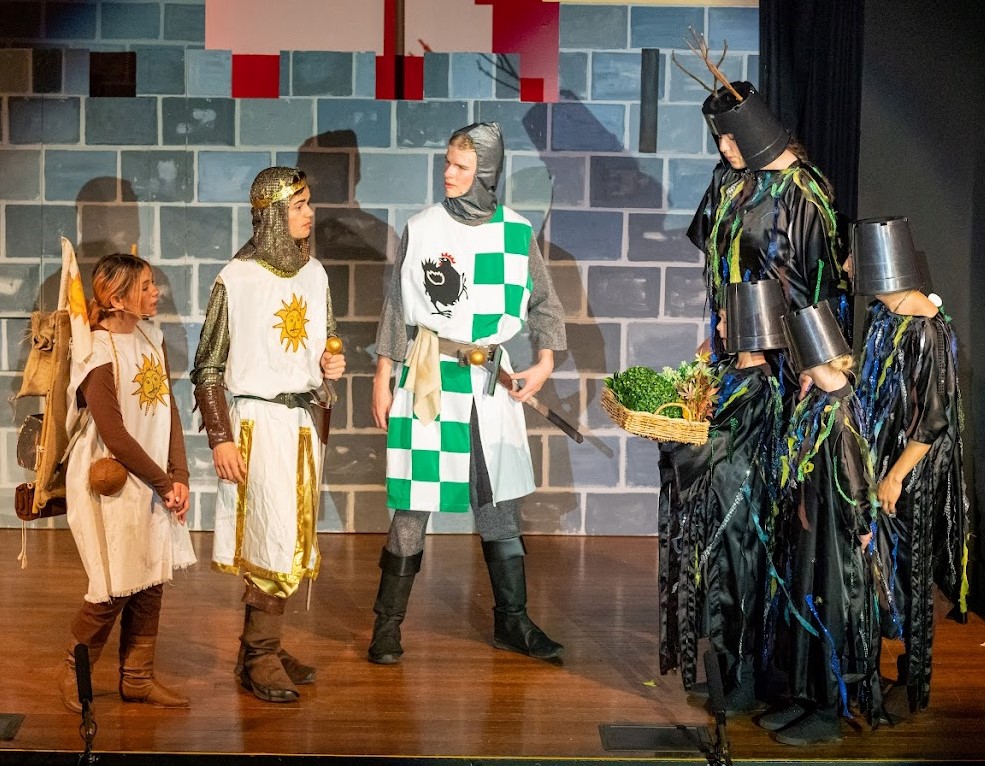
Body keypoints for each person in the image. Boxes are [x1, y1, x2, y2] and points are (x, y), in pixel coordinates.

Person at [369, 122, 566, 665]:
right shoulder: (423, 228)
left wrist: (545, 362)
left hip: (490, 383)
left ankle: (513, 623)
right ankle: (386, 625)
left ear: (487, 172)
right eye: (447, 163)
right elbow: (396, 307)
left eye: (461, 166)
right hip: (429, 376)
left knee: (497, 500)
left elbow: (544, 304)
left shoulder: (516, 233)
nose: (448, 173)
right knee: (414, 500)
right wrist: (382, 375)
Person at [191, 167, 346, 703]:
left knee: (291, 538)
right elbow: (208, 368)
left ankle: (261, 647)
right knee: (271, 537)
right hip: (256, 426)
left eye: (309, 202)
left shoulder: (315, 274)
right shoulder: (236, 280)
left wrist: (329, 367)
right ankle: (259, 655)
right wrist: (220, 436)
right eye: (299, 205)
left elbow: (324, 345)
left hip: (301, 423)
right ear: (273, 214)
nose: (310, 213)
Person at [59, 253, 195, 712]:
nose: (156, 292)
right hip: (113, 479)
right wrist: (163, 482)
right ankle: (73, 670)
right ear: (116, 299)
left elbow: (169, 411)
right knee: (114, 584)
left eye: (154, 283)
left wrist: (179, 475)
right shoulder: (97, 351)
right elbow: (114, 434)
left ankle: (137, 678)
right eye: (145, 286)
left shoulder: (151, 337)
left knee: (150, 579)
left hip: (154, 477)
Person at [851, 216, 969, 718]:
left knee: (910, 572)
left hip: (911, 473)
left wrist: (896, 476)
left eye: (855, 259)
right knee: (878, 569)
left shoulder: (926, 329)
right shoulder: (884, 317)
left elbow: (933, 419)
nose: (847, 266)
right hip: (882, 462)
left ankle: (914, 682)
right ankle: (873, 671)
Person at [658, 280, 786, 714]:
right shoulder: (731, 373)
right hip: (720, 497)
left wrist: (672, 438)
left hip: (740, 504)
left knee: (737, 590)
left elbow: (715, 438)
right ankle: (726, 676)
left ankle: (742, 683)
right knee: (717, 585)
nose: (719, 326)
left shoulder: (758, 385)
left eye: (728, 319)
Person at [758, 303, 879, 745]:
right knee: (803, 603)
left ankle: (827, 710)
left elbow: (854, 480)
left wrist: (861, 528)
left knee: (827, 610)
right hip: (811, 528)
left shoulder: (840, 414)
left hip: (834, 534)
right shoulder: (820, 401)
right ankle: (804, 694)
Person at [686, 80, 850, 367]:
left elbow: (822, 282)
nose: (723, 147)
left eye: (731, 137)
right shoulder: (728, 182)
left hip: (786, 353)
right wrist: (719, 337)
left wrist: (817, 363)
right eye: (719, 137)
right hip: (737, 351)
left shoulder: (801, 192)